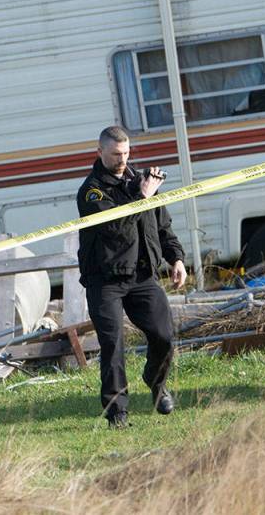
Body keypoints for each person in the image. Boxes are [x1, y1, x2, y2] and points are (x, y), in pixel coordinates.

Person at [76, 125, 187, 429]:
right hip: (106, 280)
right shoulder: (91, 191)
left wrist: (176, 257)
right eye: (115, 154)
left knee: (163, 335)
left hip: (141, 276)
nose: (121, 160)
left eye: (125, 153)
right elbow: (117, 229)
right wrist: (141, 197)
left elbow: (162, 226)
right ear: (100, 153)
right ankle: (117, 413)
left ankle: (156, 382)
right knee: (113, 346)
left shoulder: (143, 183)